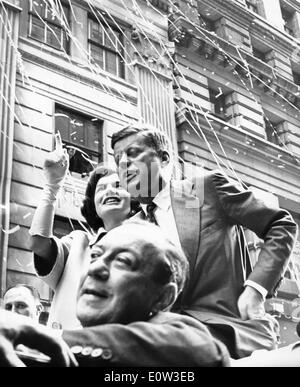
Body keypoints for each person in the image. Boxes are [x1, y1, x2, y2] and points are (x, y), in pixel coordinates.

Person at [111, 124, 298, 359]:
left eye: (133, 152)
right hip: (164, 343)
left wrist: (256, 289)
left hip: (229, 334)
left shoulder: (202, 191)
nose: (123, 163)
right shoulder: (131, 229)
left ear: (164, 158)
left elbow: (280, 225)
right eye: (117, 158)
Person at [0, 222, 230, 367]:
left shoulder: (186, 339)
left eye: (123, 261)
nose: (95, 269)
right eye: (95, 256)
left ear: (163, 298)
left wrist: (32, 339)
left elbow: (201, 353)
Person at [29, 133, 139, 330]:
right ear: (93, 205)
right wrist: (52, 185)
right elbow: (38, 243)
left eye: (118, 186)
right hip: (70, 353)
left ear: (133, 200)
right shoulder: (78, 244)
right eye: (101, 188)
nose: (110, 192)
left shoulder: (147, 245)